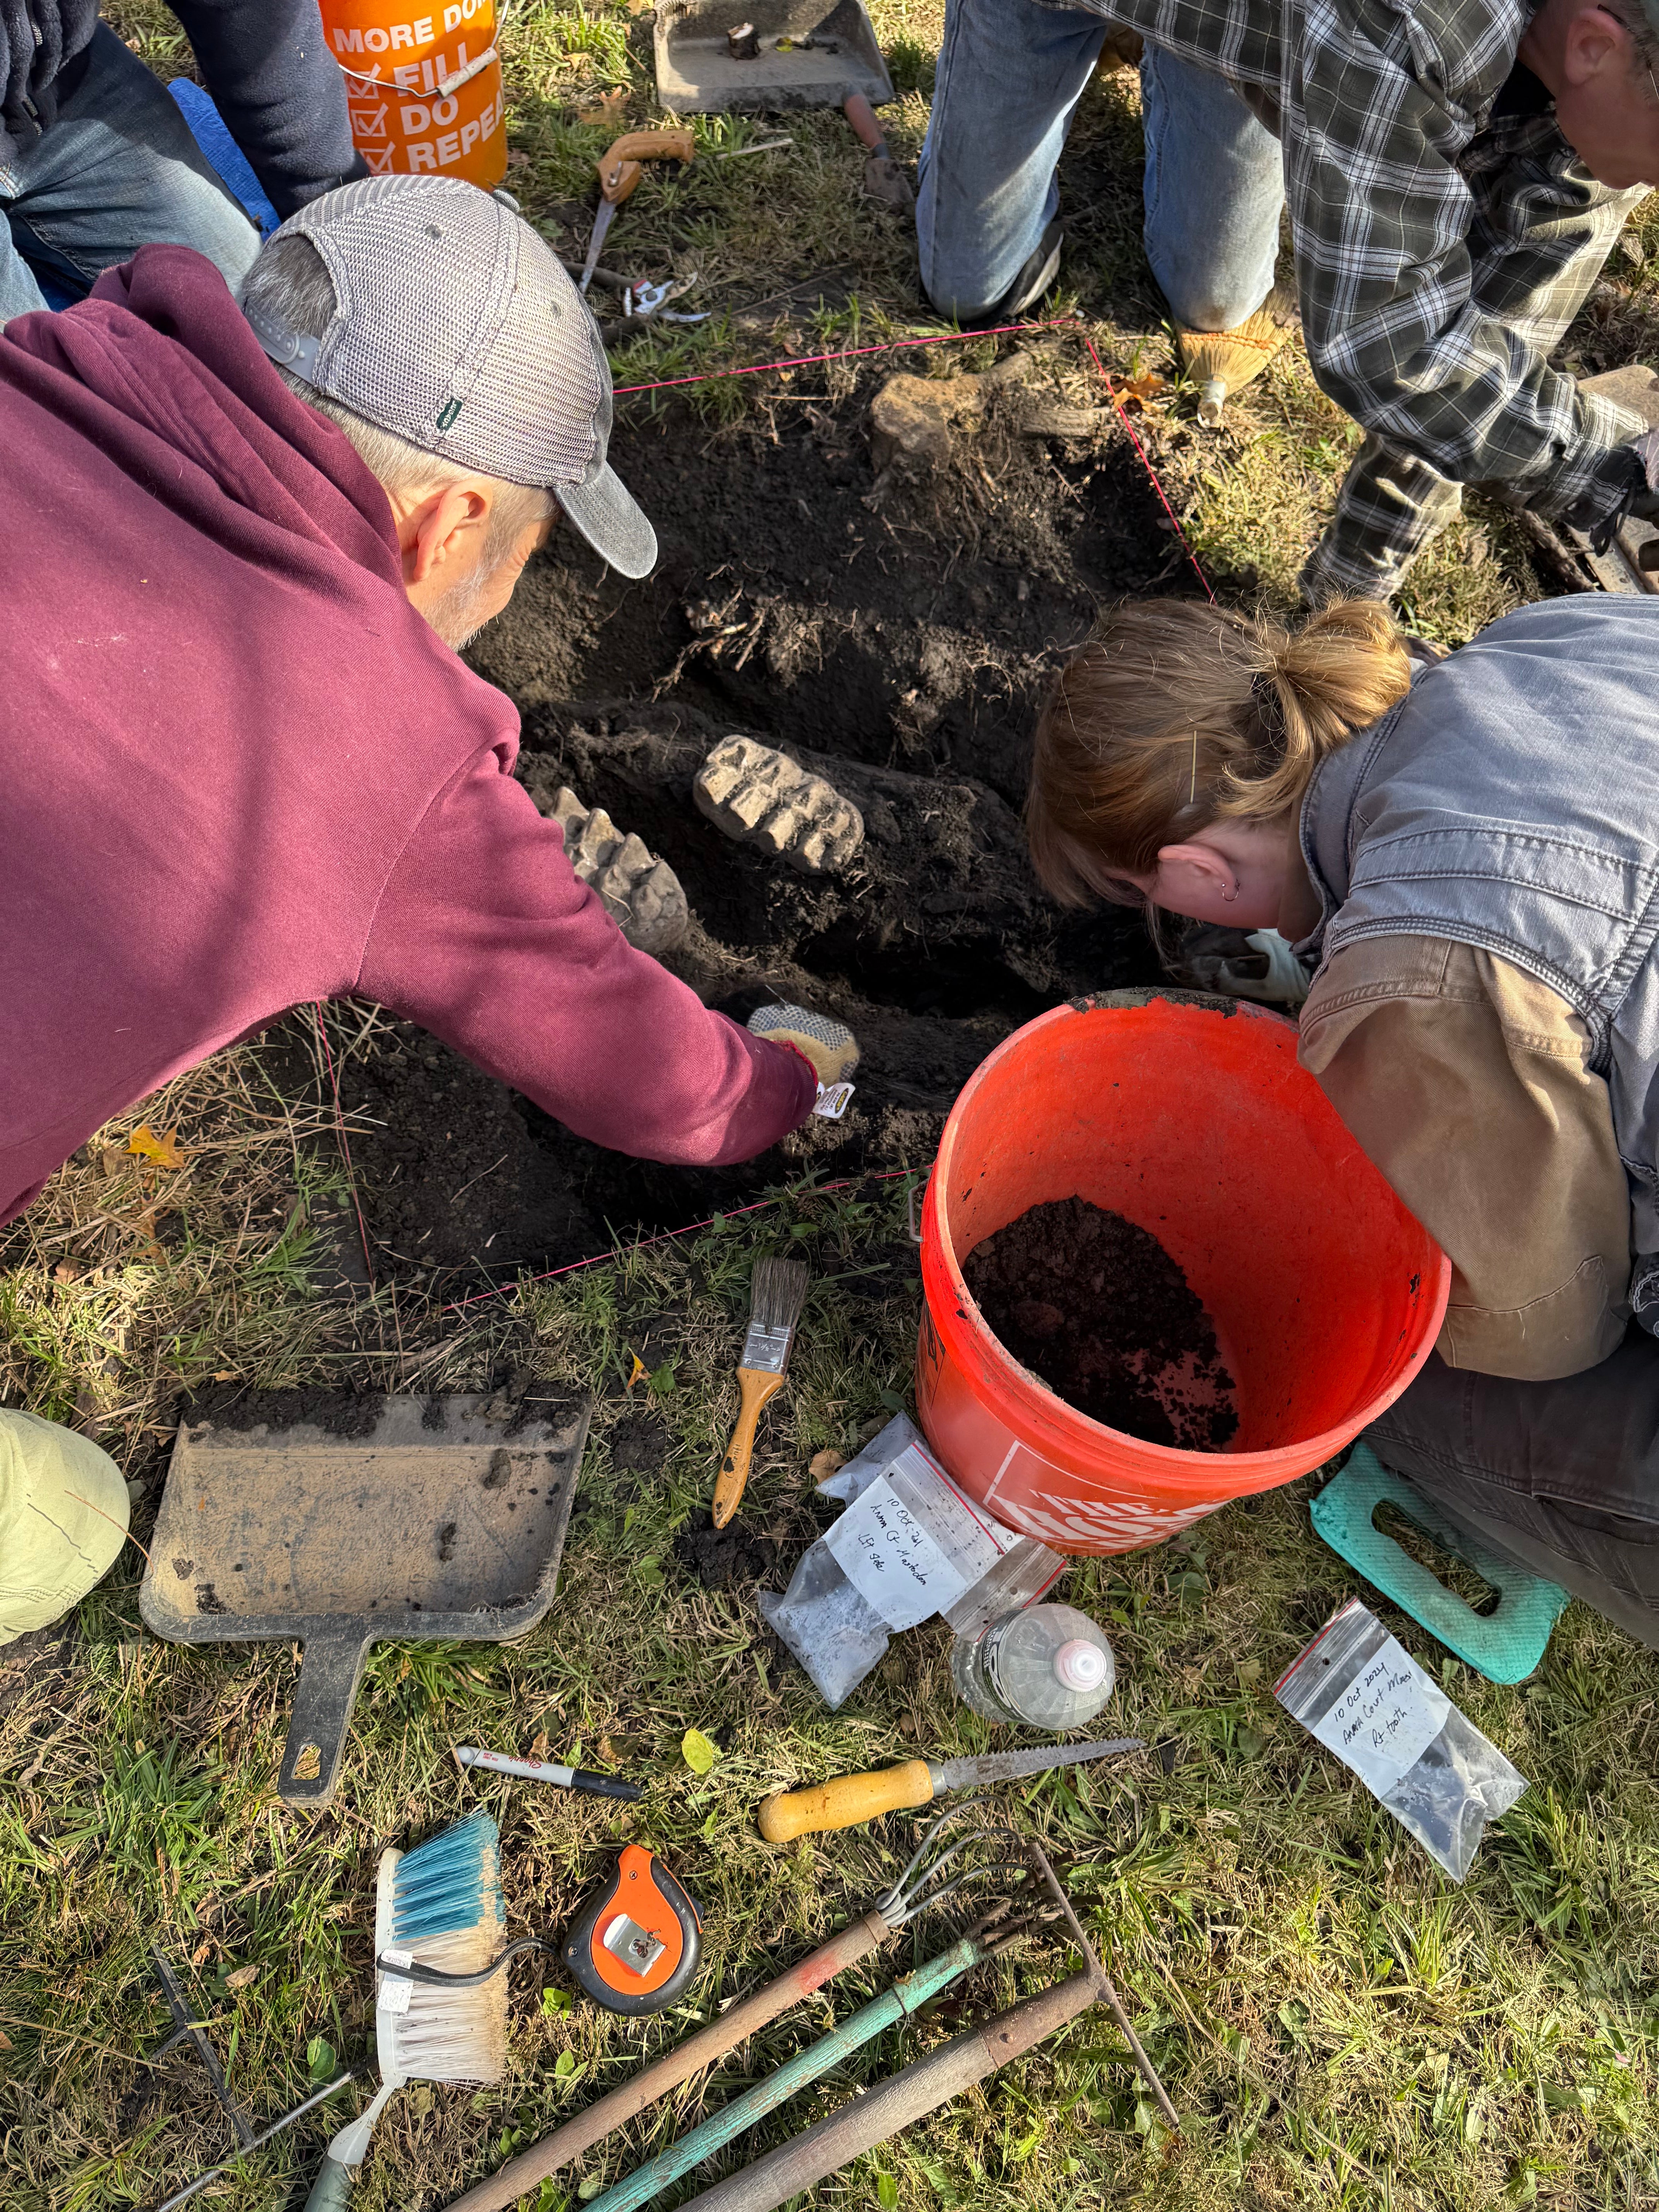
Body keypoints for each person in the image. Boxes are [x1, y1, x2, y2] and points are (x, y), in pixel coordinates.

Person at [0, 173, 857, 1638]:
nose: (507, 588)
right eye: (521, 551)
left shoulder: (41, 369)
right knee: (64, 1520)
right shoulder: (359, 736)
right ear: (448, 517)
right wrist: (795, 1082)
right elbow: (658, 1088)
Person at [1024, 586, 1659, 1650]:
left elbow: (1549, 1323)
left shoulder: (1420, 981)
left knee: (1378, 1386)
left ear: (1194, 874)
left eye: (1147, 896)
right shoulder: (1553, 630)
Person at [917, 0, 1659, 603]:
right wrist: (1623, 476)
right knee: (970, 290)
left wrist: (1347, 599)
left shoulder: (1609, 106)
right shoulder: (1423, 19)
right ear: (1592, 47)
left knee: (1215, 300)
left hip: (1310, 29)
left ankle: (1219, 50)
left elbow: (1474, 365)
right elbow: (1386, 350)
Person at [0, 2, 363, 320]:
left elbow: (261, 27)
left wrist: (341, 216)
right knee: (36, 382)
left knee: (252, 308)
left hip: (52, 83)